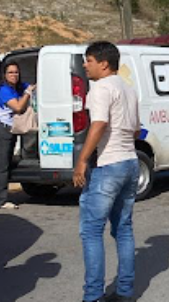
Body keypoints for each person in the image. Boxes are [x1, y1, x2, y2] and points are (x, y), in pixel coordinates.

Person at [73, 41, 141, 302]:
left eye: (88, 60)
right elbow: (135, 130)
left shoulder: (100, 88)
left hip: (108, 165)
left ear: (103, 63)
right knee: (123, 228)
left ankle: (93, 296)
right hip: (130, 162)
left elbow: (99, 123)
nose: (84, 65)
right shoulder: (129, 89)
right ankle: (125, 292)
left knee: (91, 231)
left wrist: (82, 160)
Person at [0, 62, 35, 210]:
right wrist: (28, 93)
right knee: (0, 167)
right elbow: (17, 107)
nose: (14, 75)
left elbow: (32, 85)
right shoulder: (3, 90)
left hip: (10, 130)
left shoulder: (17, 87)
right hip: (0, 130)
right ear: (4, 75)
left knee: (4, 165)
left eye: (16, 72)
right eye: (10, 72)